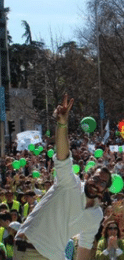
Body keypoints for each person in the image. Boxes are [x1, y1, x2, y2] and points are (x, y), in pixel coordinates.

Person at [14, 94, 113, 260]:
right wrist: (62, 125)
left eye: (103, 182)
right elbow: (63, 156)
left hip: (54, 255)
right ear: (87, 177)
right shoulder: (70, 183)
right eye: (95, 178)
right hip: (30, 250)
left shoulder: (96, 215)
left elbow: (84, 247)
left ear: (105, 190)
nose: (97, 183)